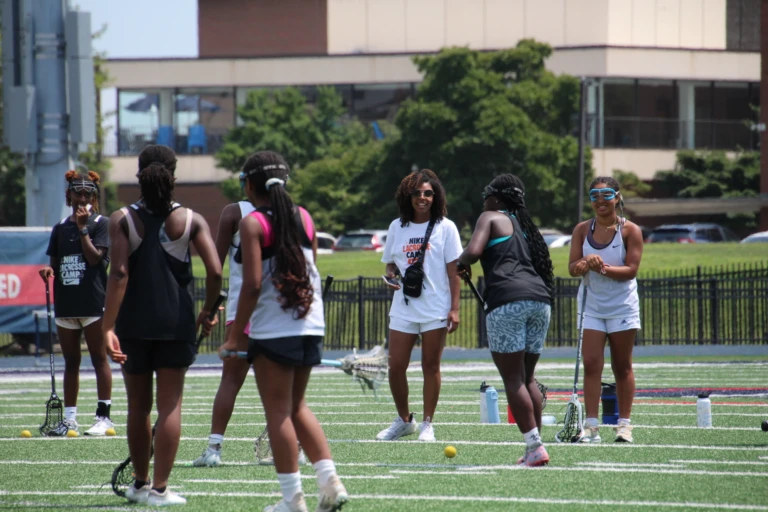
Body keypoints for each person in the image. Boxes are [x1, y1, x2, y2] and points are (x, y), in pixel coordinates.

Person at [219, 151, 347, 512]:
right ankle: (330, 481)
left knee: (278, 412)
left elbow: (253, 283)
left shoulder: (253, 223)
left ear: (248, 184)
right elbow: (312, 269)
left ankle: (293, 499)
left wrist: (233, 337)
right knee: (296, 406)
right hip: (311, 320)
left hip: (275, 326)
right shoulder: (303, 216)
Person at [103, 144, 222, 506]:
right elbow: (216, 271)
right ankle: (160, 489)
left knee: (138, 406)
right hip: (176, 323)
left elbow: (119, 272)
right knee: (170, 406)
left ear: (139, 175)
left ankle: (139, 484)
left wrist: (107, 326)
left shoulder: (121, 218)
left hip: (133, 325)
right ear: (174, 175)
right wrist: (209, 309)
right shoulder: (191, 219)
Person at [193, 177, 307, 468]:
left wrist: (210, 308)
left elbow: (215, 268)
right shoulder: (297, 213)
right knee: (286, 390)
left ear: (248, 184)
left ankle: (214, 449)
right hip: (280, 312)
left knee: (230, 380)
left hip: (242, 310)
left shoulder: (234, 212)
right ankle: (295, 449)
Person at [456, 174, 554, 467]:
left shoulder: (490, 216)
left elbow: (472, 253)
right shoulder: (524, 225)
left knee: (512, 379)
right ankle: (534, 447)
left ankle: (534, 447)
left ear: (497, 198)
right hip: (540, 300)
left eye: (488, 193)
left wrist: (459, 263)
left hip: (507, 302)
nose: (484, 199)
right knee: (527, 378)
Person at [377, 169, 462, 442]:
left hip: (435, 307)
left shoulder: (446, 227)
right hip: (404, 306)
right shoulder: (396, 227)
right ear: (408, 196)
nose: (422, 198)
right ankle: (404, 420)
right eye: (417, 193)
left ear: (435, 197)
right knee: (396, 365)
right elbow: (391, 263)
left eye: (428, 193)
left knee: (430, 366)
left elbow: (454, 272)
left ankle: (427, 423)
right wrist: (390, 276)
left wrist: (455, 308)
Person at [568, 176, 644, 444]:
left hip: (622, 305)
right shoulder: (581, 230)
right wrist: (584, 263)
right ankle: (591, 425)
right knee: (591, 363)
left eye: (606, 194)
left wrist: (600, 266)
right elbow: (572, 268)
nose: (601, 201)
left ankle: (624, 425)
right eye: (594, 196)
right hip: (592, 305)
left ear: (617, 197)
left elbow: (631, 271)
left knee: (622, 366)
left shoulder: (630, 231)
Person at [39, 170, 113, 436]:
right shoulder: (60, 228)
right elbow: (55, 264)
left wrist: (83, 230)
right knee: (71, 361)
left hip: (93, 303)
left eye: (87, 193)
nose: (82, 198)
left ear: (94, 196)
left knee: (98, 359)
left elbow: (95, 259)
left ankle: (103, 417)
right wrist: (49, 272)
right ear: (68, 195)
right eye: (77, 193)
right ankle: (69, 419)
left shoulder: (101, 224)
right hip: (67, 305)